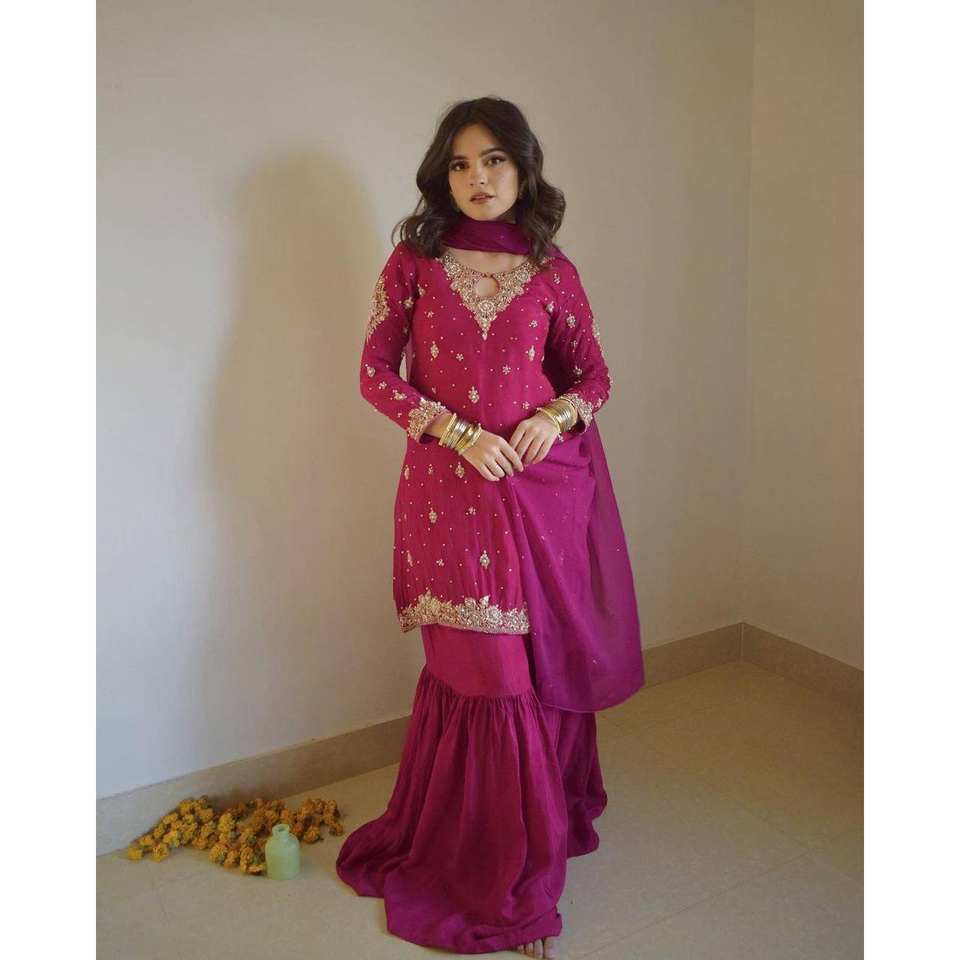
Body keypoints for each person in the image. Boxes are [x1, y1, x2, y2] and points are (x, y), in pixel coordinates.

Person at [336, 97, 646, 959]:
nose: (478, 178)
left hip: (544, 499)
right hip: (448, 497)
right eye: (462, 163)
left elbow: (593, 374)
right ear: (443, 174)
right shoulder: (415, 261)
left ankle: (525, 867)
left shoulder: (551, 269)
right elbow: (374, 371)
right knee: (488, 681)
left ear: (524, 167)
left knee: (536, 677)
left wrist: (557, 415)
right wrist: (455, 431)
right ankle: (500, 880)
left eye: (495, 160)